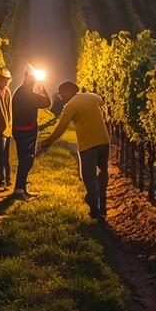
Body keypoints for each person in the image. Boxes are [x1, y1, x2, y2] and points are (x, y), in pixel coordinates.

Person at [38, 81, 110, 219]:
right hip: (104, 142)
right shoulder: (92, 96)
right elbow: (101, 101)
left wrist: (47, 143)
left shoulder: (70, 105)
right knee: (103, 172)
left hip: (88, 145)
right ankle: (103, 207)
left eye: (60, 93)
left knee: (88, 177)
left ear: (68, 91)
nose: (60, 97)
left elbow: (61, 128)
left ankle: (94, 209)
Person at [9, 72, 51, 199]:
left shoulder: (19, 91)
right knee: (27, 160)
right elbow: (47, 102)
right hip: (27, 131)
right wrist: (42, 85)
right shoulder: (29, 94)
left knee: (24, 160)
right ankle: (19, 190)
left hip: (19, 131)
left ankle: (21, 189)